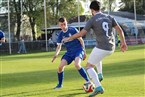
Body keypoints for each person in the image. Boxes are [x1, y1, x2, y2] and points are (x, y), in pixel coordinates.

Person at [62, 1, 128, 97]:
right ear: (100, 8)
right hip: (111, 47)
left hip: (102, 47)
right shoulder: (109, 17)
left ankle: (98, 87)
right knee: (96, 56)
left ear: (92, 10)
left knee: (89, 67)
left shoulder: (93, 19)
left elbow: (82, 33)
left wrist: (69, 38)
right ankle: (100, 74)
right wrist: (123, 43)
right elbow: (120, 30)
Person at [52, 17, 90, 89]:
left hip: (78, 50)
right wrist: (55, 55)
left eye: (64, 24)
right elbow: (59, 46)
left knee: (77, 64)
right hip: (69, 52)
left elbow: (81, 40)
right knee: (60, 67)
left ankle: (88, 81)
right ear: (59, 25)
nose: (63, 26)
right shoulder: (60, 35)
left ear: (66, 23)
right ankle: (60, 85)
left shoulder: (73, 30)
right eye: (61, 25)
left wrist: (84, 52)